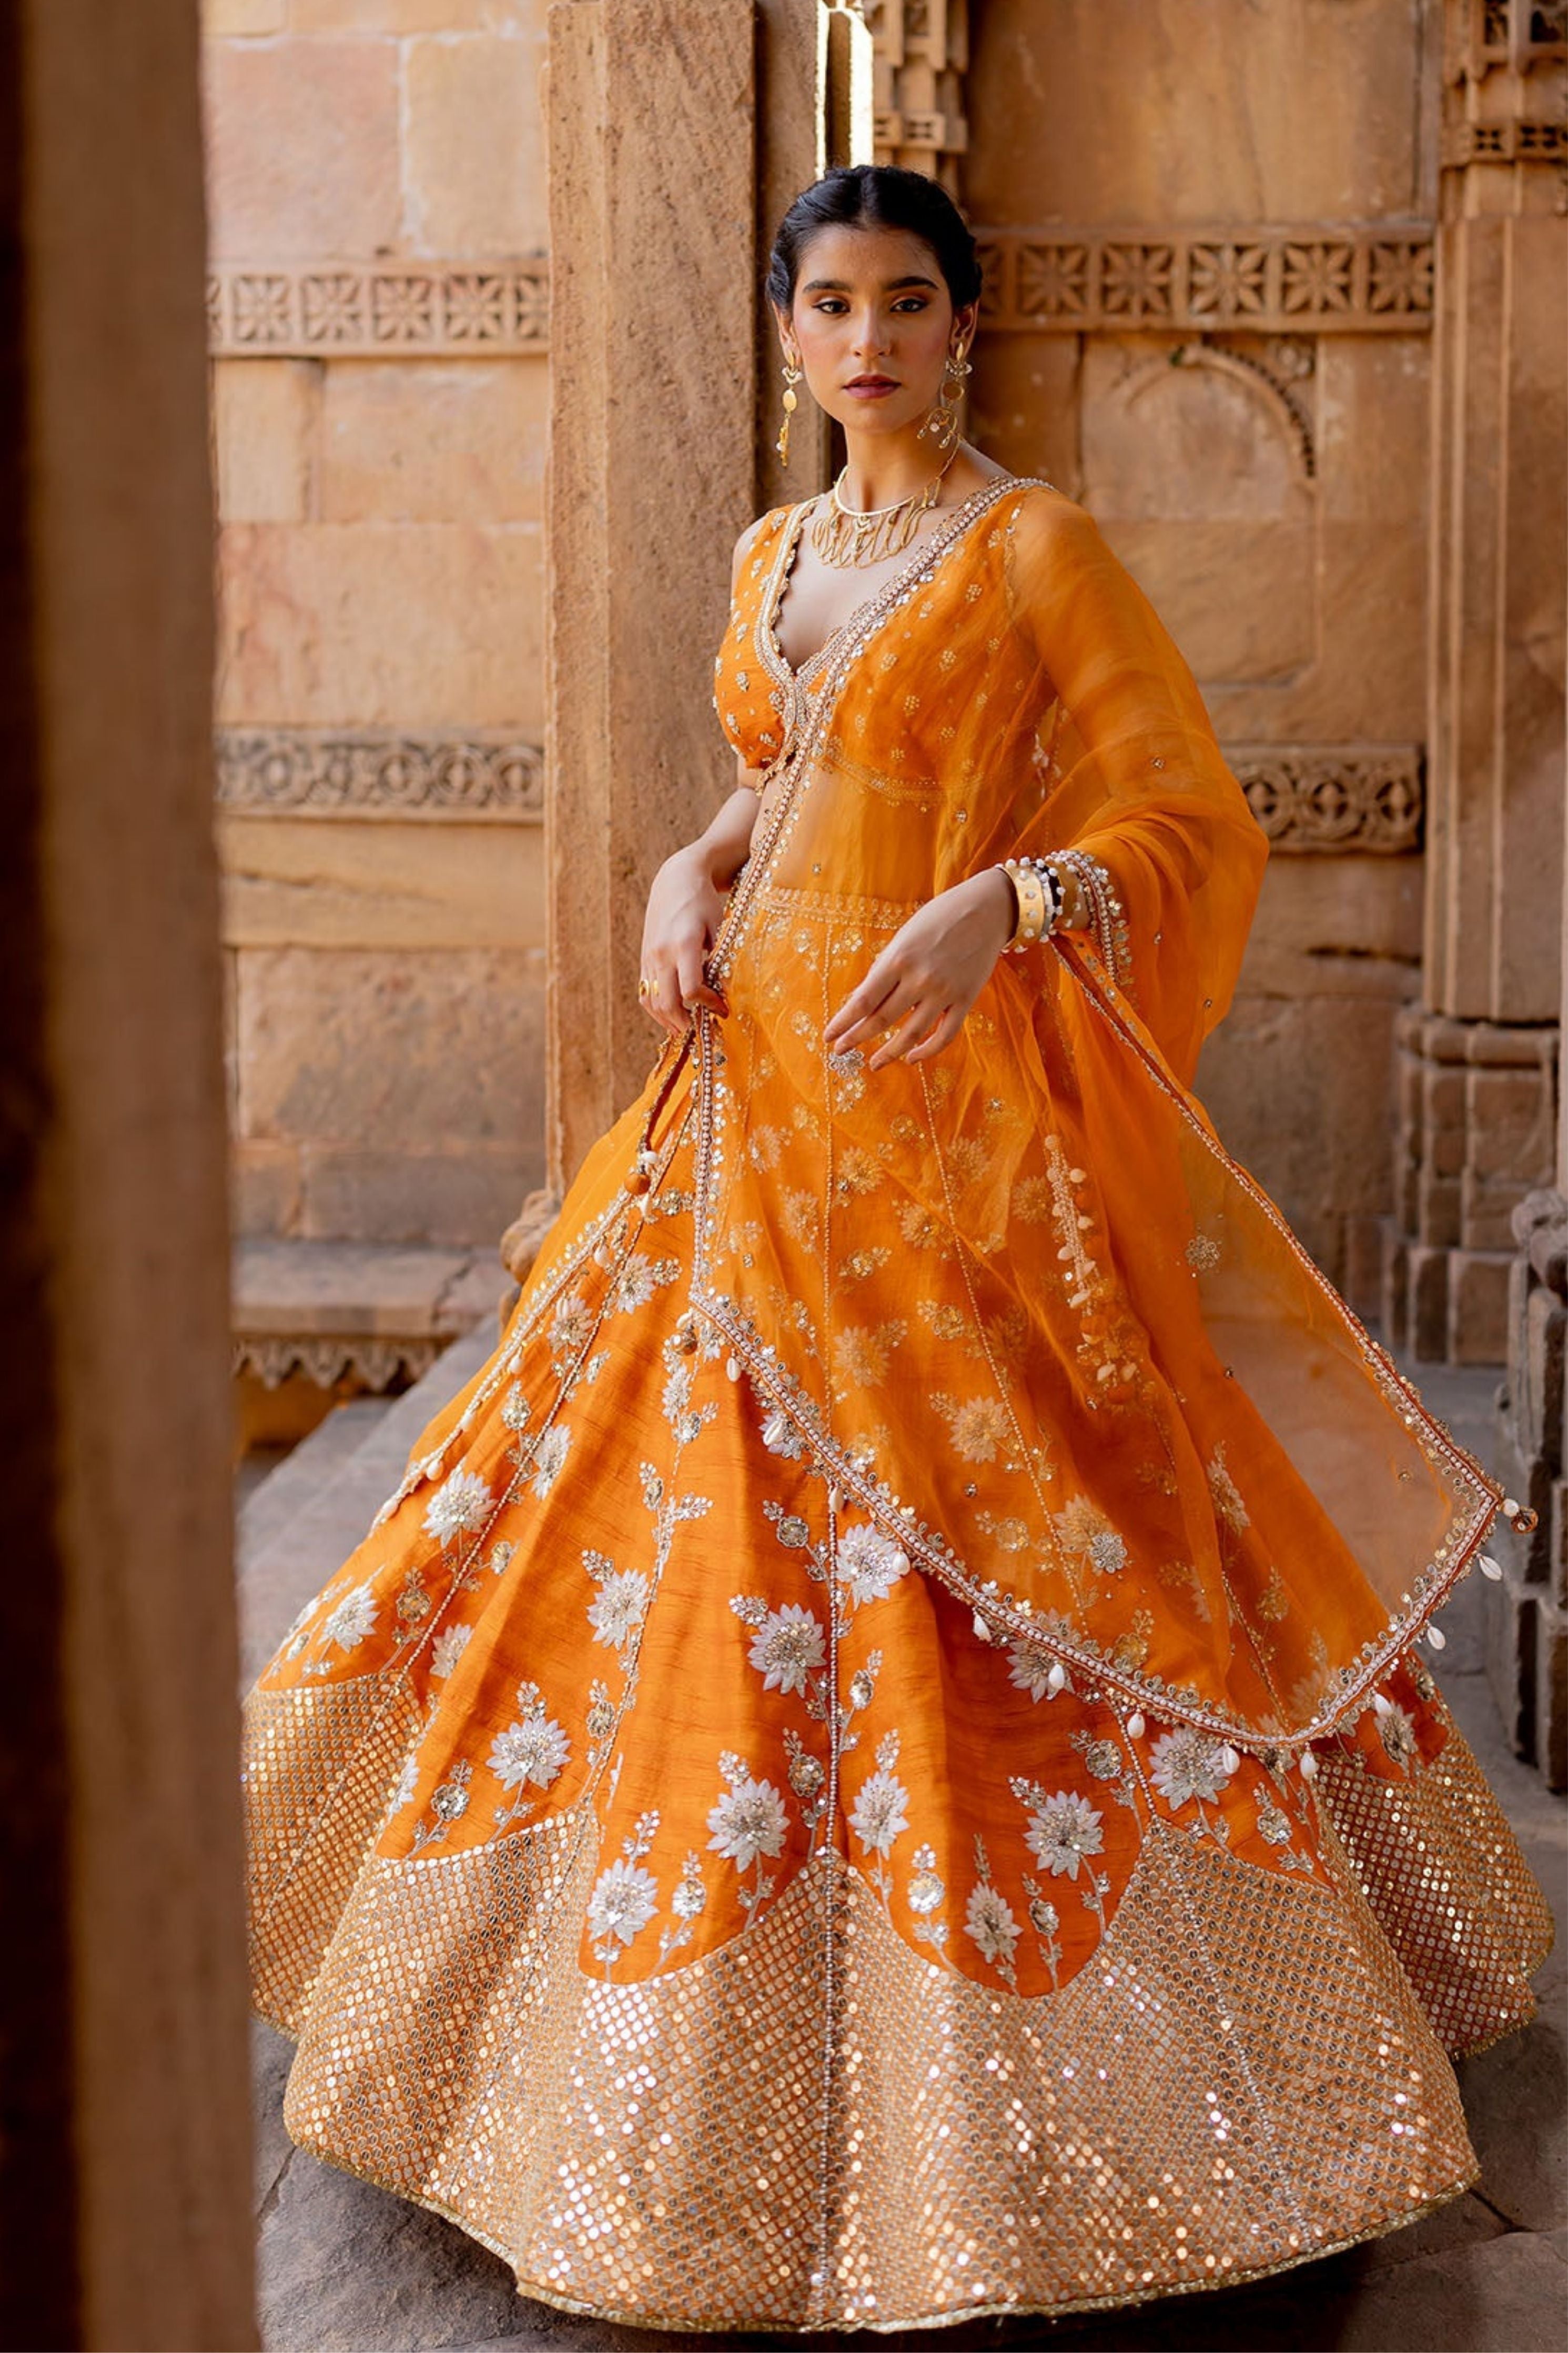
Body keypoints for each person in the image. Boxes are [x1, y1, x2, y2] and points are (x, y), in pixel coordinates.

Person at [241, 166, 1552, 2338]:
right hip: (743, 1102)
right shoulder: (773, 555)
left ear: (963, 324)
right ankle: (626, 2067)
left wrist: (1001, 906)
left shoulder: (1031, 547)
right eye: (833, 302)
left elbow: (1180, 819)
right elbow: (781, 779)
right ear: (787, 329)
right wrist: (683, 870)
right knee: (650, 1524)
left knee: (1025, 1522)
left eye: (908, 301)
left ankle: (1098, 2092)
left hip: (949, 1120)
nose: (869, 339)